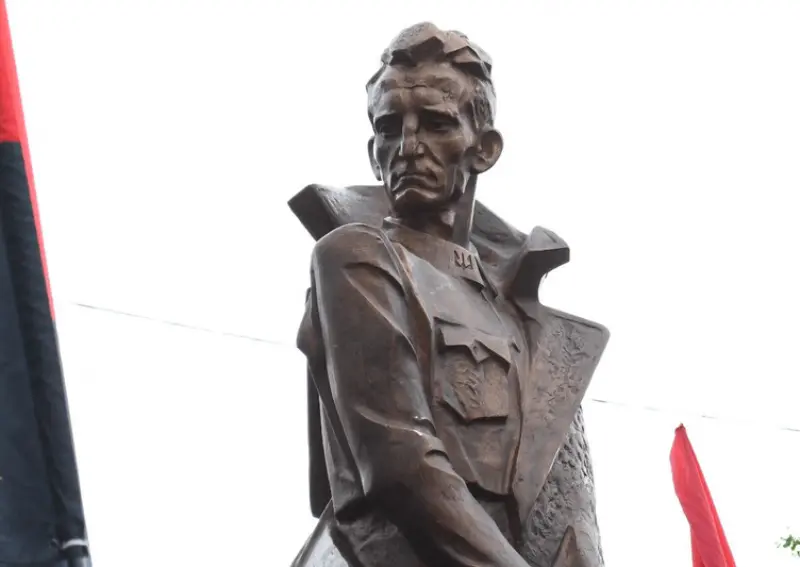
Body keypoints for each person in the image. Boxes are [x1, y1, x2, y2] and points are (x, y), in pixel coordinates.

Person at [291, 22, 610, 567]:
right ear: (373, 152)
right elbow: (401, 462)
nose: (408, 148)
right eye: (390, 128)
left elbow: (569, 516)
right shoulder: (355, 258)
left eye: (437, 124)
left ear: (484, 149)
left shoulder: (532, 324)